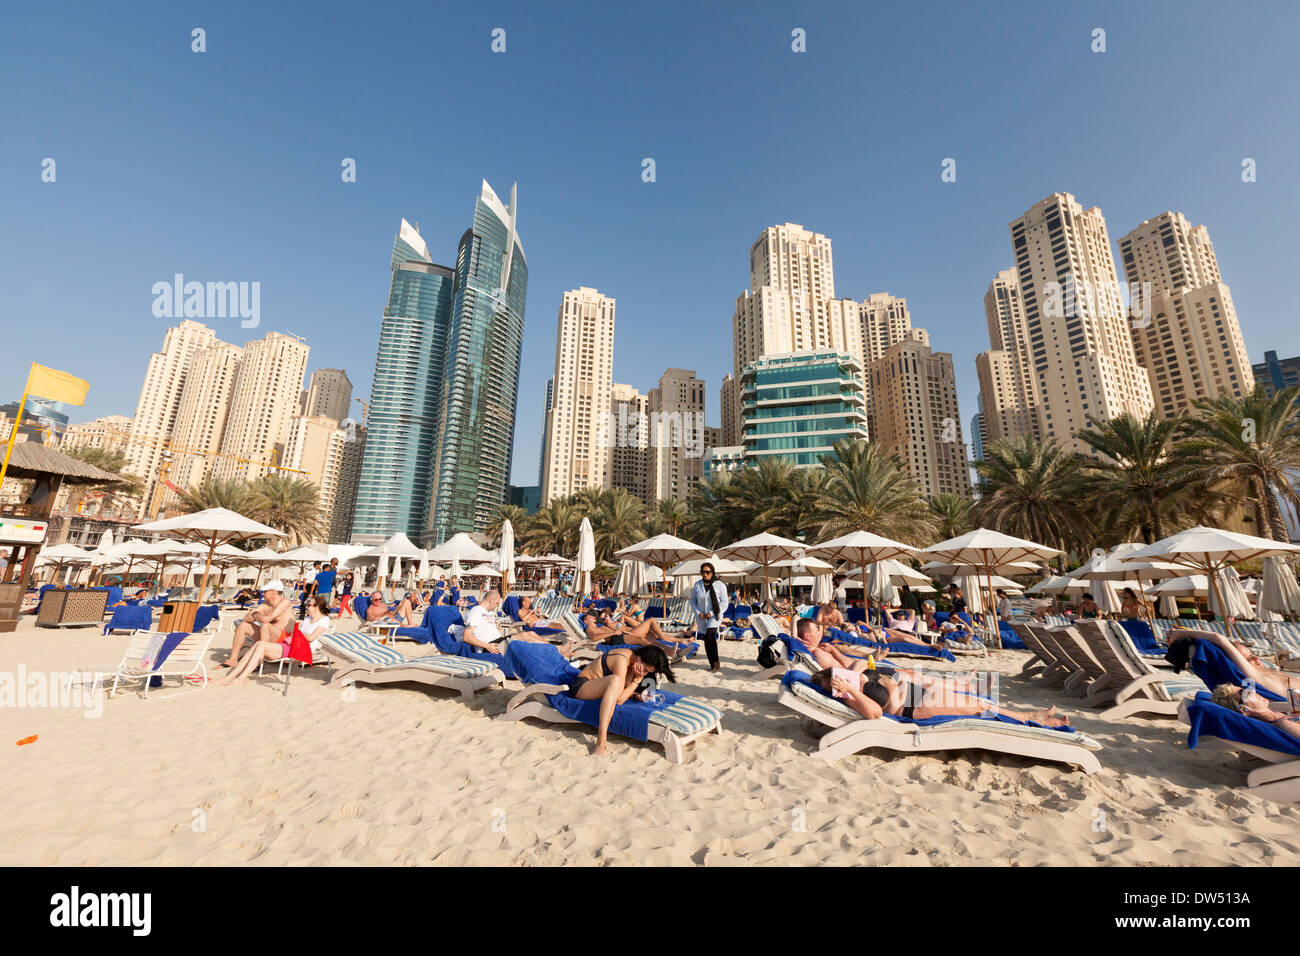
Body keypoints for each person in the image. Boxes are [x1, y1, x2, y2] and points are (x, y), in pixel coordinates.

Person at [809, 666, 1069, 726]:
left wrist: (861, 676)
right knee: (979, 711)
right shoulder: (846, 694)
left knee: (982, 704)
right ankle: (1032, 720)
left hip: (918, 694)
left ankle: (1029, 716)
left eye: (836, 675)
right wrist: (850, 690)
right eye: (832, 681)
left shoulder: (858, 676)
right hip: (911, 706)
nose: (838, 680)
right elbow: (876, 713)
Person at [568, 645, 676, 756]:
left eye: (647, 672)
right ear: (639, 658)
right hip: (582, 687)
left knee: (616, 681)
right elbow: (619, 699)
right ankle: (601, 741)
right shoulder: (622, 660)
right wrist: (637, 681)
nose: (644, 674)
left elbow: (623, 690)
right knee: (614, 680)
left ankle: (601, 741)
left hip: (597, 688)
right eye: (645, 670)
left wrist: (634, 695)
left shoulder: (632, 660)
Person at [220, 594, 332, 686]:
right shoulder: (307, 619)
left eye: (309, 605)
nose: (306, 607)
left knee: (261, 645)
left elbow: (311, 637)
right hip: (290, 644)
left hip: (301, 649)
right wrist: (295, 632)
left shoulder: (324, 620)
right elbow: (297, 633)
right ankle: (232, 676)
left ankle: (240, 678)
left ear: (317, 607)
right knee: (259, 644)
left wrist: (297, 632)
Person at [462, 590, 571, 653]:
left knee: (531, 633)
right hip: (491, 645)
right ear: (490, 601)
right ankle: (558, 650)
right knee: (525, 636)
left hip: (499, 640)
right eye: (496, 603)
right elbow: (466, 637)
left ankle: (555, 650)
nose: (497, 606)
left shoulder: (489, 612)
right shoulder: (475, 612)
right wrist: (487, 646)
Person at [221, 581, 295, 668]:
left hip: (284, 639)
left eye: (265, 591)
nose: (262, 593)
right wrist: (257, 615)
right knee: (243, 625)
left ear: (274, 591)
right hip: (268, 635)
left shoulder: (285, 602)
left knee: (266, 626)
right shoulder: (265, 605)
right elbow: (246, 617)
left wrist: (257, 615)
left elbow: (267, 619)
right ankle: (233, 660)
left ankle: (258, 662)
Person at [1209, 683, 1300, 739]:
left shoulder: (1280, 710)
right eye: (1245, 693)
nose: (1252, 691)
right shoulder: (1283, 724)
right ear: (1244, 709)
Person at [689, 561, 729, 672]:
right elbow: (692, 601)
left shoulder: (720, 585)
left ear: (712, 572)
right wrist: (698, 613)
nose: (705, 574)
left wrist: (711, 613)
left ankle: (716, 663)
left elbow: (724, 603)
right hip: (701, 616)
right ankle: (711, 664)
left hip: (714, 615)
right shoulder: (697, 585)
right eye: (703, 572)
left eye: (707, 572)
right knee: (706, 639)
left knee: (711, 634)